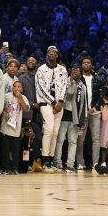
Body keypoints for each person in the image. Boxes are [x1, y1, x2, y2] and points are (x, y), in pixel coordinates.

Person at [35, 45, 68, 173]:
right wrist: (54, 102)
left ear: (57, 55)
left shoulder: (62, 70)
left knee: (55, 131)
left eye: (54, 52)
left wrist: (60, 101)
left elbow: (65, 86)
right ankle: (45, 160)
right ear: (47, 54)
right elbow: (41, 88)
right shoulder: (41, 69)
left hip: (59, 103)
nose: (52, 54)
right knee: (49, 129)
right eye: (50, 52)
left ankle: (52, 159)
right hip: (46, 103)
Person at [54, 67, 87, 172]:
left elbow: (84, 103)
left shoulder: (82, 86)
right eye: (73, 72)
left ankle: (70, 164)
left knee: (73, 142)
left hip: (75, 117)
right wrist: (71, 81)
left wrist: (83, 118)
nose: (76, 73)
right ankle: (57, 162)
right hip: (64, 115)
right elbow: (70, 93)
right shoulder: (65, 83)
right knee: (60, 140)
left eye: (77, 72)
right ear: (70, 72)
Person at [0, 80, 30, 174]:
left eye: (19, 87)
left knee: (15, 150)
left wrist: (20, 98)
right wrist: (5, 108)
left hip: (16, 127)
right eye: (15, 86)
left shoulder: (23, 97)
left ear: (21, 89)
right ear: (12, 87)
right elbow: (1, 106)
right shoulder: (6, 96)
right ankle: (6, 168)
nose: (17, 88)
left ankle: (15, 168)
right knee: (5, 149)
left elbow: (26, 109)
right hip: (6, 126)